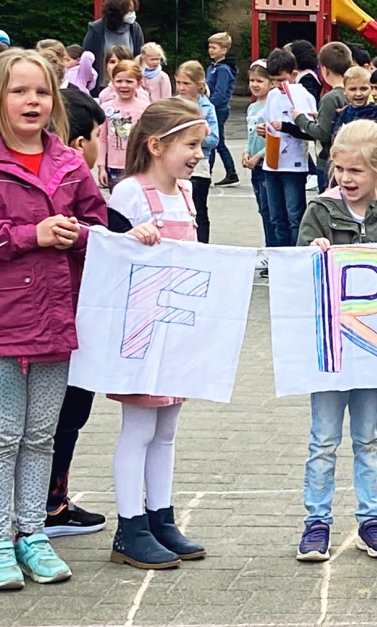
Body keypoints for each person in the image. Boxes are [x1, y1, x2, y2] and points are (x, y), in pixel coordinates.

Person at [0, 49, 108, 588]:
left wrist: (81, 234)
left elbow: (97, 223)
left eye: (40, 92)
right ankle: (0, 538)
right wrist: (29, 235)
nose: (32, 101)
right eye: (19, 90)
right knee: (3, 435)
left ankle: (33, 532)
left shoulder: (69, 162)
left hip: (55, 319)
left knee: (42, 433)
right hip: (4, 321)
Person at [293, 119, 377, 561]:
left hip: (372, 351)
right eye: (339, 169)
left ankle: (372, 520)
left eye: (356, 171)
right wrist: (313, 252)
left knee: (368, 437)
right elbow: (299, 270)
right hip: (331, 349)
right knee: (323, 439)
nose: (345, 179)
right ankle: (316, 522)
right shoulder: (319, 211)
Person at [105, 99, 213, 570]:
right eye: (190, 145)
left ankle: (160, 515)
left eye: (201, 146)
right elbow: (107, 256)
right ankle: (130, 526)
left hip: (176, 328)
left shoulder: (185, 194)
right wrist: (131, 240)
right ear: (156, 145)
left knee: (167, 429)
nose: (197, 154)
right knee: (139, 427)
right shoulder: (131, 193)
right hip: (141, 329)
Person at [43, 88, 110, 540]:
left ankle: (51, 501)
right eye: (99, 137)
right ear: (80, 140)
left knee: (68, 413)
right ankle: (47, 506)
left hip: (72, 312)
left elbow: (102, 227)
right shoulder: (64, 174)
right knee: (56, 417)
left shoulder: (81, 184)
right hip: (56, 315)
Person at [262, 47, 318, 247]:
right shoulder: (272, 96)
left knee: (295, 216)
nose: (277, 85)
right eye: (274, 80)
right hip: (273, 162)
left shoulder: (304, 96)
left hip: (293, 164)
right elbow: (268, 120)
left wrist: (287, 126)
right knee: (276, 216)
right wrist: (265, 130)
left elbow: (311, 131)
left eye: (281, 80)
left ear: (294, 74)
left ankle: (295, 256)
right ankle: (278, 257)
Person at [293, 42, 352, 192]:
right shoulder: (350, 93)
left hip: (328, 160)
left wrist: (301, 119)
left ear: (324, 70)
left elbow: (323, 133)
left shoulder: (330, 98)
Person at [174, 61, 219, 244]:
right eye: (178, 82)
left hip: (199, 165)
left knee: (198, 209)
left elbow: (215, 139)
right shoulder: (173, 104)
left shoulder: (207, 108)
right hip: (174, 163)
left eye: (186, 83)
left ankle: (202, 247)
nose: (181, 87)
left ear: (199, 84)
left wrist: (193, 139)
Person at [97, 60, 149, 191]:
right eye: (119, 81)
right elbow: (102, 139)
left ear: (139, 83)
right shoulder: (105, 108)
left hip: (138, 165)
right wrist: (101, 167)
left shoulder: (145, 109)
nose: (124, 85)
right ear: (112, 82)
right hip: (114, 167)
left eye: (129, 81)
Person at [82, 0, 145, 96]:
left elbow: (139, 58)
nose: (132, 14)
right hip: (100, 87)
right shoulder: (96, 29)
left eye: (133, 10)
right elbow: (87, 59)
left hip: (127, 85)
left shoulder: (135, 29)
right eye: (128, 11)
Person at [243, 61, 274, 251]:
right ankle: (266, 244)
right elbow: (251, 135)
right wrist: (247, 152)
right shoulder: (252, 107)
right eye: (252, 80)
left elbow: (274, 139)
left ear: (270, 82)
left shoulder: (271, 106)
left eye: (260, 81)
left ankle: (272, 247)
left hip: (266, 163)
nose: (255, 84)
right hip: (254, 164)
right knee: (262, 209)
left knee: (270, 209)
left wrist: (259, 156)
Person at [206, 32, 238, 187]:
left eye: (214, 47)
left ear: (224, 50)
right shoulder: (212, 67)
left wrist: (208, 105)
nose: (211, 50)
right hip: (214, 107)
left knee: (215, 141)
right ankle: (231, 173)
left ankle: (208, 172)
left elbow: (220, 92)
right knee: (218, 142)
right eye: (210, 47)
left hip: (218, 109)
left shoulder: (223, 69)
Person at [331, 66, 377, 141]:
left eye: (363, 89)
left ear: (371, 89)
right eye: (353, 89)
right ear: (344, 90)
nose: (358, 94)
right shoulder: (342, 114)